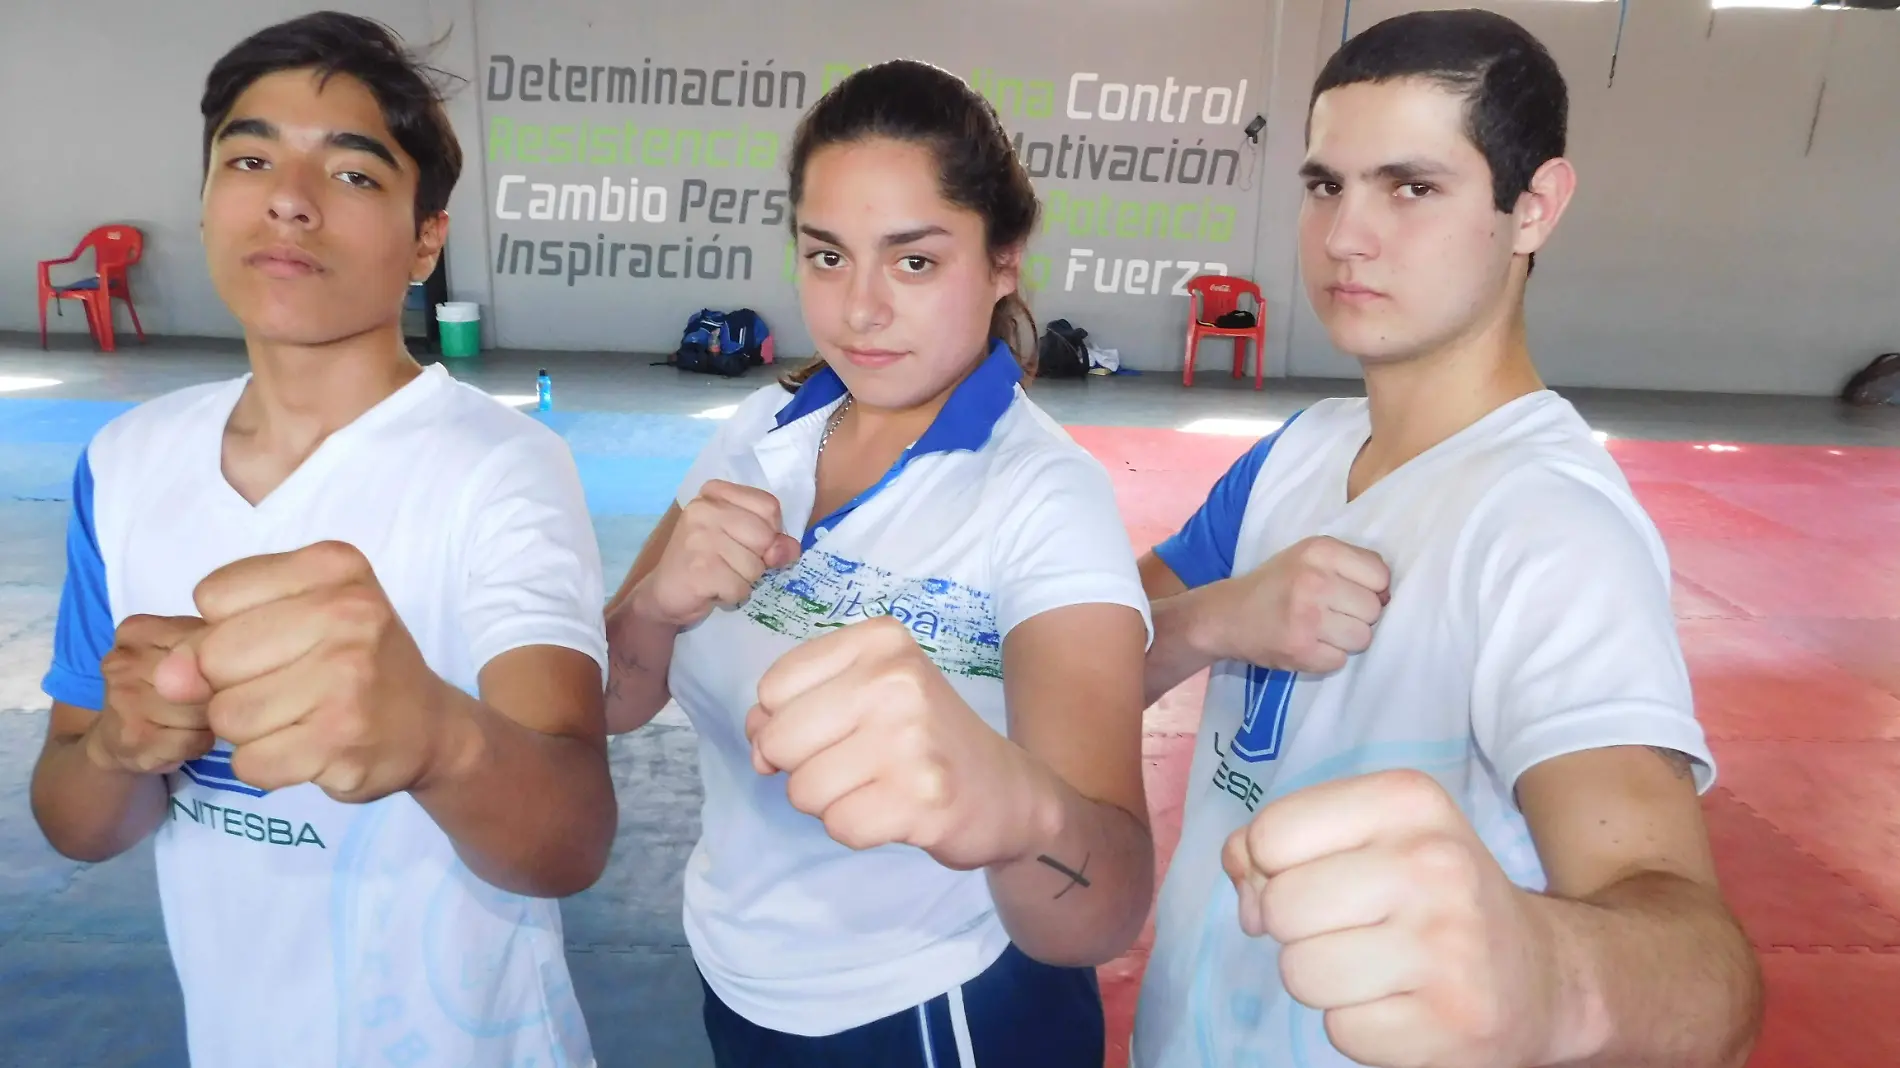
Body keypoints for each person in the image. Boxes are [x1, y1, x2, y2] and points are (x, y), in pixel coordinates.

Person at [1131, 10, 1764, 1068]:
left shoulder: (1552, 532)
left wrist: (1551, 981)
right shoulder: (1300, 450)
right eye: (1325, 184)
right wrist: (1212, 621)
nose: (1343, 236)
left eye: (1410, 187)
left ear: (1534, 208)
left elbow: (1699, 964)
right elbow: (1089, 660)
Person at [29, 13, 614, 1067]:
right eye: (249, 159)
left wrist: (440, 738)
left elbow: (568, 838)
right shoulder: (125, 460)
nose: (287, 199)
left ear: (425, 240)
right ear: (206, 201)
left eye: (350, 176)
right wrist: (118, 751)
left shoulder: (497, 468)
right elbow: (76, 817)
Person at [603, 59, 1155, 1067]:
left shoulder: (1041, 496)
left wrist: (1007, 805)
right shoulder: (757, 433)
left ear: (1002, 262)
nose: (858, 311)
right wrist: (652, 605)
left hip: (941, 1009)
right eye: (825, 256)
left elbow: (1103, 909)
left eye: (912, 262)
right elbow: (608, 699)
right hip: (737, 975)